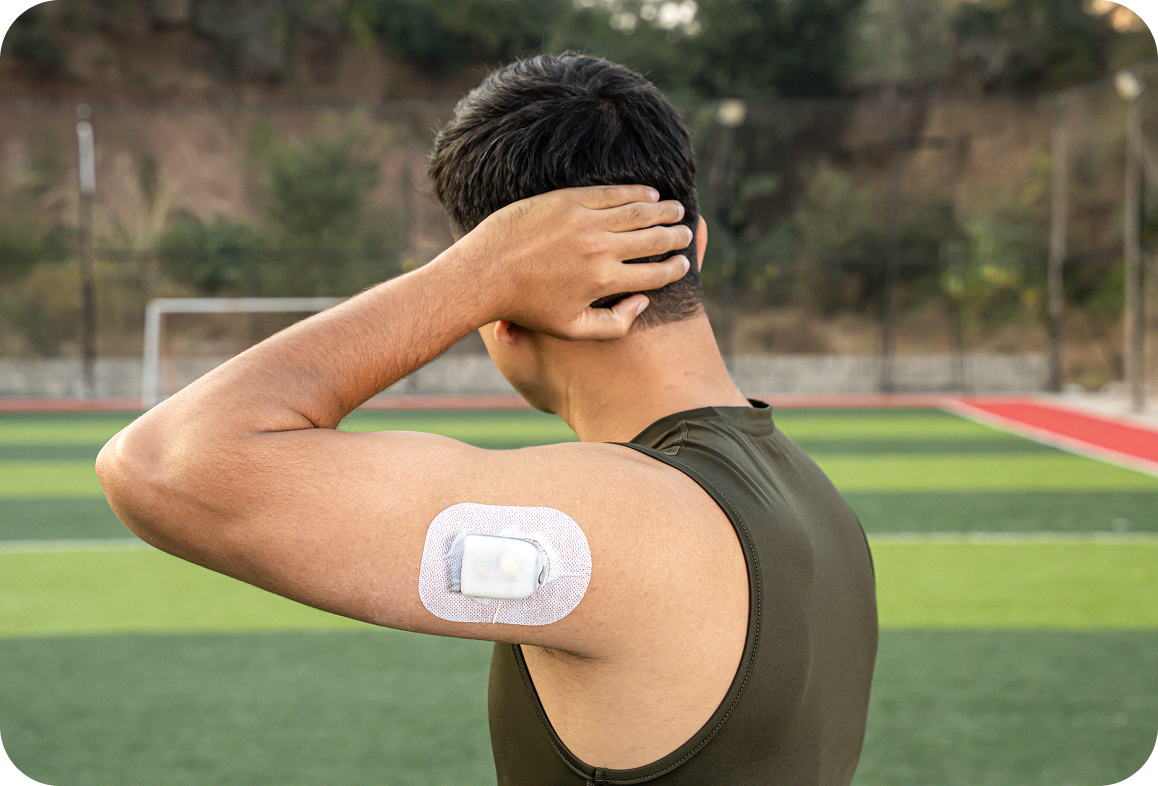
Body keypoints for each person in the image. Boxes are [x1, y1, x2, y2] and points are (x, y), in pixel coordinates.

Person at [97, 54, 877, 785]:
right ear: (696, 247)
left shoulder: (632, 525)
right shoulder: (820, 505)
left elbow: (160, 464)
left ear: (503, 310)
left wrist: (477, 273)